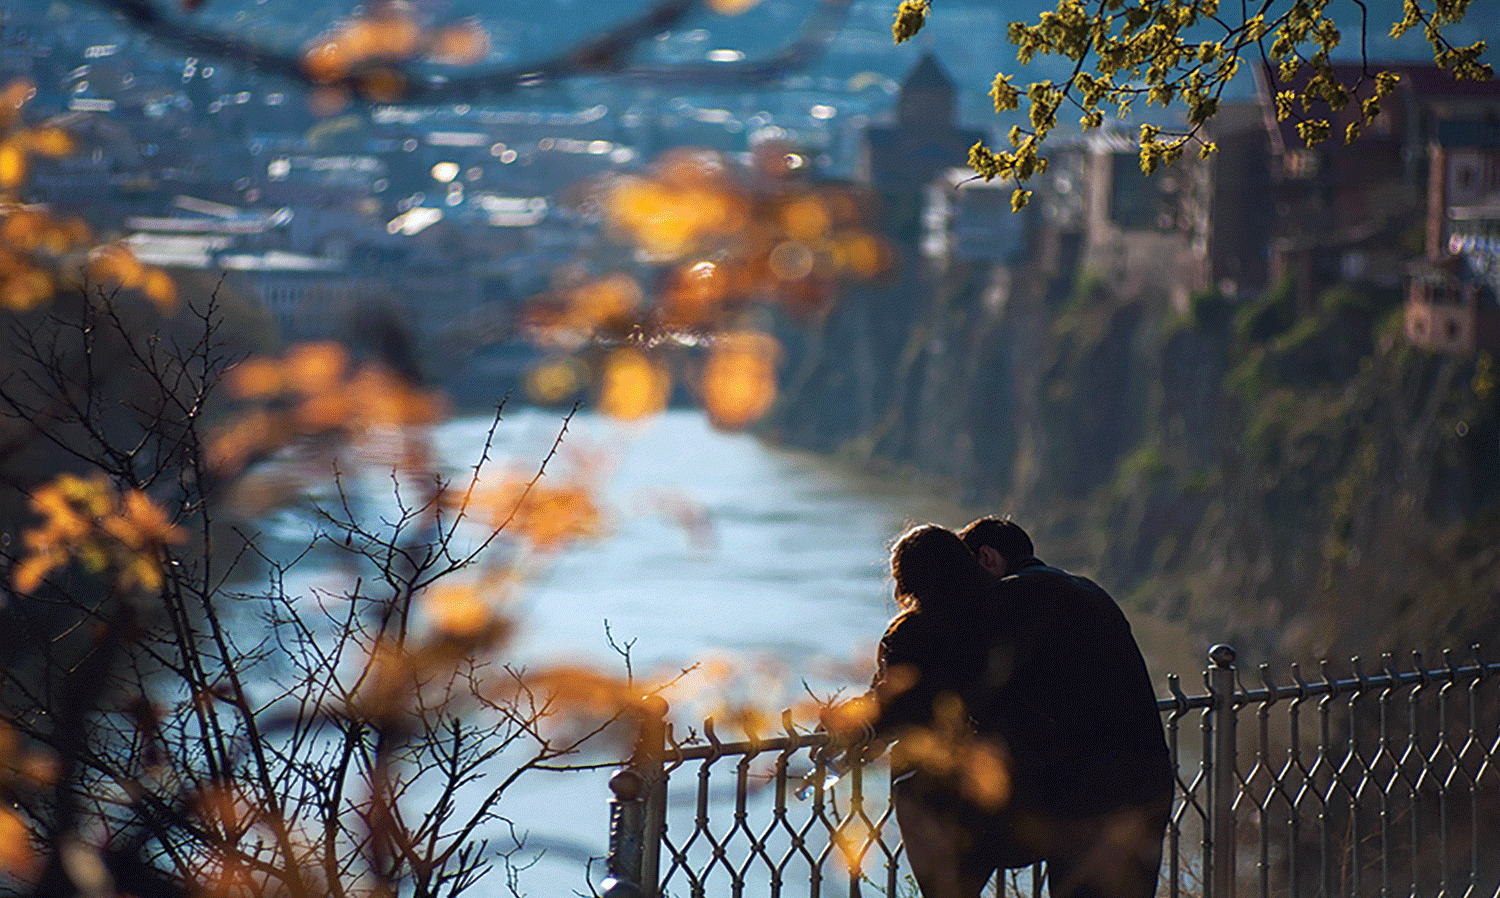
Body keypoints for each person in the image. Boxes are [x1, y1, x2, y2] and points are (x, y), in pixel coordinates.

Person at [958, 517, 1173, 898]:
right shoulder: (1089, 590)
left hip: (1093, 789)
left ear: (987, 557)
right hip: (1149, 775)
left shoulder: (1009, 596)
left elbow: (976, 687)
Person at [833, 523, 1038, 898]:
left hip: (947, 796)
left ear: (906, 583)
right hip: (1019, 780)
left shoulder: (911, 635)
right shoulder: (1002, 614)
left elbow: (892, 710)